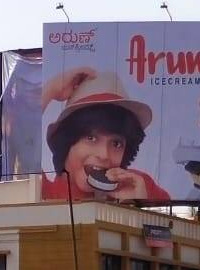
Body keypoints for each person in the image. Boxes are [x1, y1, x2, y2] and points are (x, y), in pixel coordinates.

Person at [40, 68, 170, 204]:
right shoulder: (41, 190)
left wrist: (137, 205)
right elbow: (25, 141)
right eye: (91, 138)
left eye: (116, 144)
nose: (104, 155)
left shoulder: (139, 185)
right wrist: (49, 90)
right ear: (65, 141)